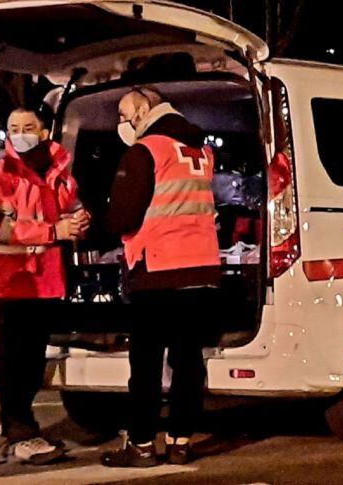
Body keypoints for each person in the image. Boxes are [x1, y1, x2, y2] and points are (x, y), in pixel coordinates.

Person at [100, 86, 221, 467]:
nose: (122, 123)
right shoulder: (201, 150)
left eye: (124, 114)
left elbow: (124, 216)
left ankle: (140, 445)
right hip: (201, 267)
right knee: (188, 359)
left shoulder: (145, 150)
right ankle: (180, 441)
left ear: (144, 109)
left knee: (147, 363)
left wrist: (101, 225)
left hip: (157, 269)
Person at [0, 108, 89, 464]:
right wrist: (56, 231)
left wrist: (80, 221)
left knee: (30, 365)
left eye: (27, 127)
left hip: (44, 283)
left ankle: (23, 428)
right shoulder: (0, 175)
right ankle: (19, 432)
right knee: (12, 365)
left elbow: (73, 209)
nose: (20, 133)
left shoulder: (59, 174)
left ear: (42, 133)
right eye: (13, 128)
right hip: (11, 284)